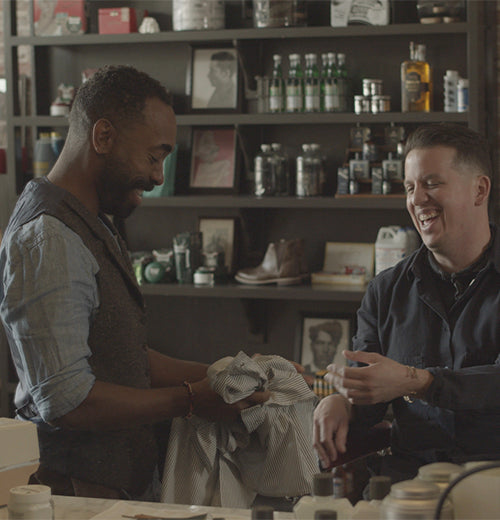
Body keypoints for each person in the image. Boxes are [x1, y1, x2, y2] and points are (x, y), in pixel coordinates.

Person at [0, 65, 270, 501]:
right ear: (102, 136)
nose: (159, 177)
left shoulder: (91, 223)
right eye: (153, 156)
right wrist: (194, 399)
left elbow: (121, 353)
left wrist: (233, 375)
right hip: (76, 495)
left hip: (115, 488)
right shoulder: (49, 237)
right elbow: (67, 400)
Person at [313, 122, 500, 483]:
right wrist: (343, 403)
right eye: (410, 188)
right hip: (409, 485)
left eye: (432, 183)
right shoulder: (385, 292)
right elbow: (369, 395)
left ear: (479, 190)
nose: (416, 200)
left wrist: (419, 381)